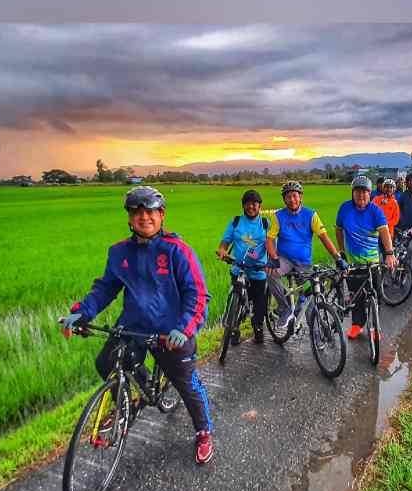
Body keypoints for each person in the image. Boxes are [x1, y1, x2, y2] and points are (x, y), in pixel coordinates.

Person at [60, 186, 215, 465]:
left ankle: (204, 432)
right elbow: (105, 288)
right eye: (137, 212)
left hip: (171, 333)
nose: (144, 217)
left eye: (150, 211)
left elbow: (198, 294)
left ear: (161, 215)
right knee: (106, 363)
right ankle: (133, 399)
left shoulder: (176, 251)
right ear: (130, 218)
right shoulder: (119, 252)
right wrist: (82, 313)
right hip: (133, 326)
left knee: (188, 385)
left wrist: (184, 328)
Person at [266, 181, 345, 328]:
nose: (292, 200)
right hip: (285, 259)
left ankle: (313, 325)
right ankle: (285, 308)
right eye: (288, 197)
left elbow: (324, 237)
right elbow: (270, 239)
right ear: (284, 199)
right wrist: (273, 258)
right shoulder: (278, 216)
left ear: (300, 197)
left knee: (312, 294)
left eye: (295, 196)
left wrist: (338, 258)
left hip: (304, 262)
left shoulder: (311, 215)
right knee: (270, 273)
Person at [335, 176, 398, 339]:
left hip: (373, 263)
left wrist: (390, 254)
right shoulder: (345, 208)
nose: (361, 195)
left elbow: (384, 231)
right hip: (353, 263)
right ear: (352, 193)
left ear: (370, 194)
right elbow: (339, 229)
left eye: (364, 192)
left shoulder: (375, 210)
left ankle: (375, 326)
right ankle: (357, 325)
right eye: (357, 191)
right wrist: (341, 251)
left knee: (375, 296)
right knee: (356, 296)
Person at [216, 189, 269, 345]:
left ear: (259, 206)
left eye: (254, 204)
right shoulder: (236, 222)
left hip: (258, 270)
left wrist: (273, 260)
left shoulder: (266, 223)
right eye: (247, 203)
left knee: (260, 301)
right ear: (243, 206)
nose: (251, 206)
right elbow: (225, 242)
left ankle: (258, 326)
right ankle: (234, 327)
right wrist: (222, 251)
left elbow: (272, 244)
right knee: (236, 297)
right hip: (239, 268)